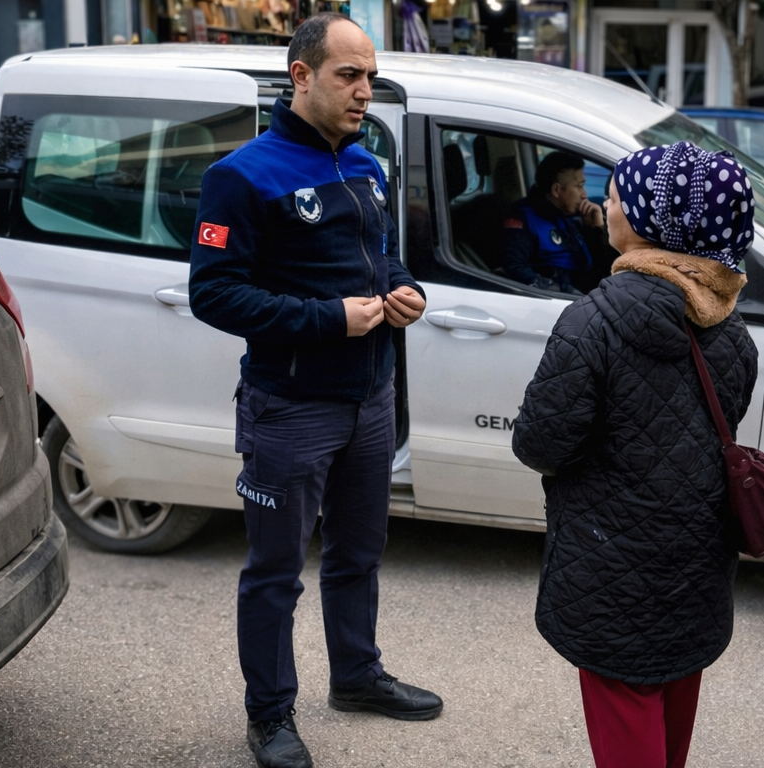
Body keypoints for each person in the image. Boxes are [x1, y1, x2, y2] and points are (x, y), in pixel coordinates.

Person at [188, 14, 442, 768]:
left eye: (370, 77)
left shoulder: (365, 165)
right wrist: (330, 320)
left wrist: (405, 291)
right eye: (348, 75)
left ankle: (357, 677)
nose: (364, 91)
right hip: (290, 407)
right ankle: (269, 717)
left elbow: (381, 262)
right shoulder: (241, 176)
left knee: (358, 553)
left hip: (370, 401)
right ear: (301, 75)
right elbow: (216, 295)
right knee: (274, 572)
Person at [512, 141, 761, 768]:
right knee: (674, 690)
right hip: (698, 557)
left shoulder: (592, 322)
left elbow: (541, 444)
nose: (605, 205)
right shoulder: (729, 325)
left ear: (656, 221)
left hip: (611, 560)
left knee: (624, 700)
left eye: (619, 196)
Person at [500, 150, 609, 295]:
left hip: (592, 289)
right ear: (556, 190)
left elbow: (601, 263)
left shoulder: (569, 213)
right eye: (579, 186)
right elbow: (513, 267)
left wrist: (596, 227)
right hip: (562, 297)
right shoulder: (523, 217)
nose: (584, 194)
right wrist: (554, 289)